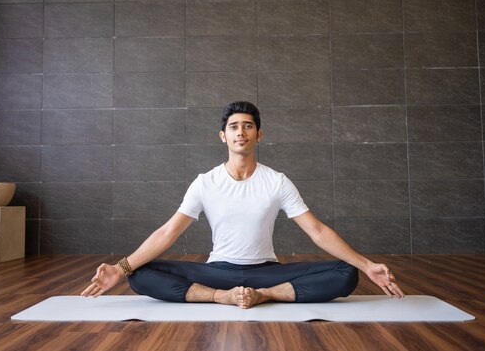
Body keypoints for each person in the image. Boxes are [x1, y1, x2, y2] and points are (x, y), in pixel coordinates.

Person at [82, 101, 404, 308]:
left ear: (259, 135)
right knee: (140, 275)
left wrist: (366, 265)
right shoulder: (205, 182)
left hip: (267, 275)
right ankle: (220, 298)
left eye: (248, 126)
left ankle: (263, 297)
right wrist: (119, 268)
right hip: (217, 274)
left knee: (345, 274)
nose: (241, 132)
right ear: (222, 136)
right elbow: (168, 232)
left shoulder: (276, 181)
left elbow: (317, 230)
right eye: (234, 127)